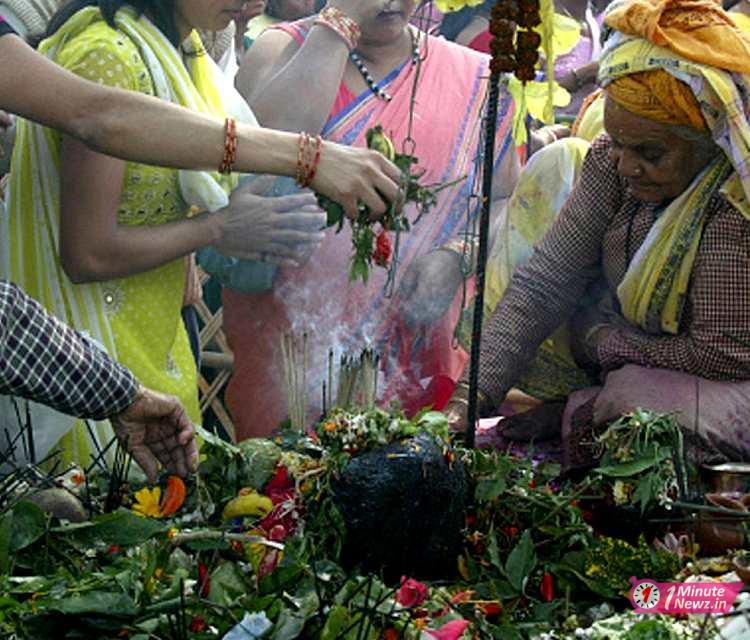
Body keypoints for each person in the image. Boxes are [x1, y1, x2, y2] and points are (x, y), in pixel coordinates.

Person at [1, 0, 400, 467]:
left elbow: (155, 193)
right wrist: (215, 227)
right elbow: (87, 252)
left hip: (155, 351)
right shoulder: (106, 53)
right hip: (88, 355)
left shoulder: (184, 50)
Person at [447, 0, 750, 468]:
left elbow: (719, 356)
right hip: (640, 357)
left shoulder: (733, 204)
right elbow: (545, 282)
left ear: (707, 140)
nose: (628, 166)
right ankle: (584, 402)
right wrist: (467, 402)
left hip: (727, 378)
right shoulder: (610, 162)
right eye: (621, 145)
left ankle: (592, 408)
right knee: (533, 306)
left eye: (651, 153)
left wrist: (604, 343)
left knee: (633, 404)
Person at [227, 0, 519, 438]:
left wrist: (458, 255)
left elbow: (506, 202)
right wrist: (340, 22)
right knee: (281, 496)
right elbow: (262, 150)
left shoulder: (477, 78)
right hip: (292, 361)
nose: (391, 1)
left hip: (424, 363)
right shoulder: (280, 49)